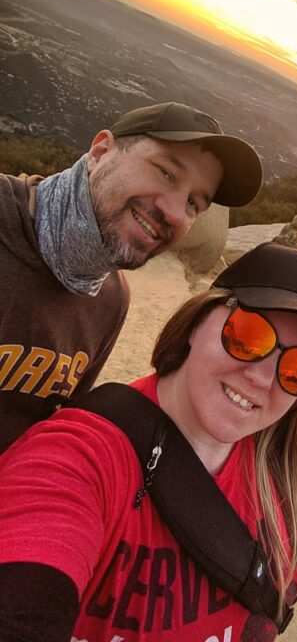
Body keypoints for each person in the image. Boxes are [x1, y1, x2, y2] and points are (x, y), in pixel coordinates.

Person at [0, 242, 297, 641]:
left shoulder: (278, 482)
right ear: (198, 322)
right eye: (249, 335)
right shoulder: (82, 454)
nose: (263, 378)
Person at [0, 102, 263, 449]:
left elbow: (49, 426)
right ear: (101, 151)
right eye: (166, 172)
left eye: (193, 204)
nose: (173, 212)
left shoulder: (110, 298)